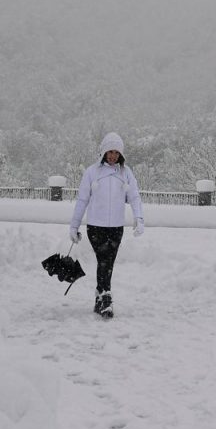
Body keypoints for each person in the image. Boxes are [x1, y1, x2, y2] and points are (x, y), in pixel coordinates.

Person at [69, 132, 144, 319]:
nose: (113, 156)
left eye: (116, 153)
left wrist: (139, 218)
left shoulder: (126, 173)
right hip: (96, 226)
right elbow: (82, 200)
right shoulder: (92, 172)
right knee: (104, 260)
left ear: (121, 155)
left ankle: (100, 297)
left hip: (117, 227)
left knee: (108, 262)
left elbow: (134, 196)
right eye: (110, 151)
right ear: (103, 152)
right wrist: (74, 225)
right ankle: (106, 298)